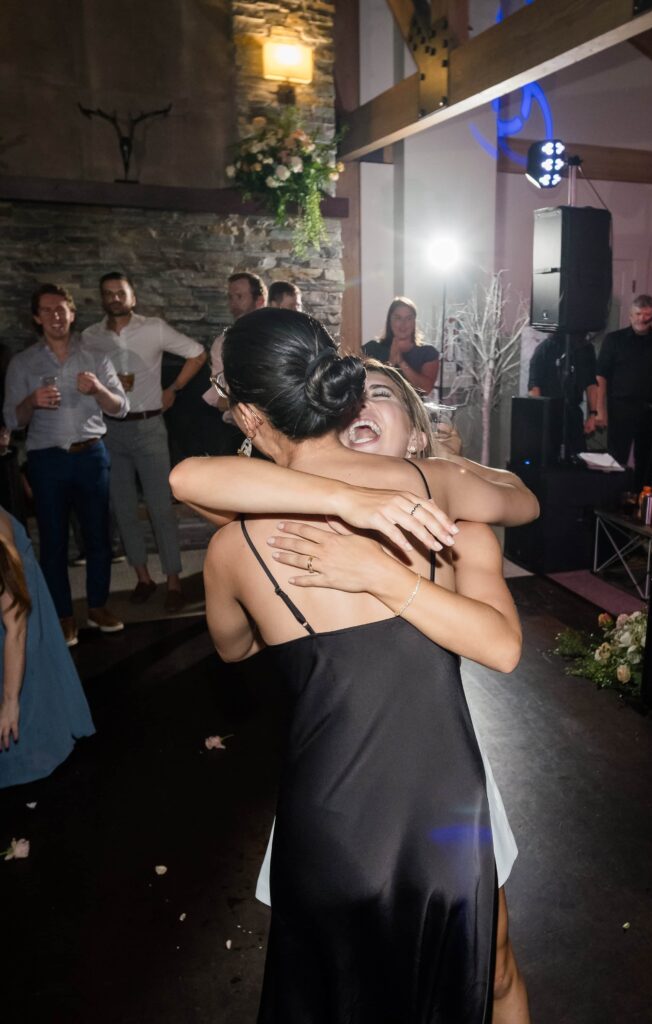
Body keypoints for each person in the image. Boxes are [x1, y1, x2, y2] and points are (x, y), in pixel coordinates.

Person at [170, 308, 538, 1021]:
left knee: (339, 997)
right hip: (444, 807)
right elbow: (521, 502)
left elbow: (231, 647)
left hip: (328, 816)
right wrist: (398, 487)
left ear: (248, 414)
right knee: (460, 982)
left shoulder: (229, 549)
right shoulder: (427, 492)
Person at [258, 358, 530, 1022]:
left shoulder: (454, 526)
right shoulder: (294, 515)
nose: (359, 406)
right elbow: (195, 485)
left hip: (441, 781)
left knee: (489, 968)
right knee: (346, 987)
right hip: (338, 796)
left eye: (380, 394)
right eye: (348, 397)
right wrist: (279, 450)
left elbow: (500, 646)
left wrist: (378, 574)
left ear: (414, 437)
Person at [3, 285, 128, 647]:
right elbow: (12, 420)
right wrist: (31, 401)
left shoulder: (96, 356)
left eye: (62, 309)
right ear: (36, 317)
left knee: (98, 537)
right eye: (47, 310)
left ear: (72, 314)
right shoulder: (23, 363)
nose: (55, 316)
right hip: (47, 460)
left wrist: (98, 392)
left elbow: (120, 406)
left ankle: (99, 606)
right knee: (54, 542)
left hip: (91, 455)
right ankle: (63, 615)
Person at [81, 272, 207, 611]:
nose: (114, 298)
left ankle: (174, 581)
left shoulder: (154, 328)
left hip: (150, 425)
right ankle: (142, 577)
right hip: (110, 430)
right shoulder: (89, 337)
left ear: (132, 296)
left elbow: (197, 353)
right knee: (121, 507)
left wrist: (174, 389)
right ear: (102, 299)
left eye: (120, 293)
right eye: (108, 293)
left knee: (160, 507)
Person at [0, 505, 95, 785]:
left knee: (23, 659)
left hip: (15, 583)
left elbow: (16, 627)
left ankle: (36, 736)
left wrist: (10, 701)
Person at [596, 295, 652, 491]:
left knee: (646, 460)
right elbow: (600, 376)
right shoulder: (614, 340)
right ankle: (613, 499)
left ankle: (641, 503)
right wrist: (599, 409)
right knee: (616, 457)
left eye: (648, 315)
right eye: (638, 314)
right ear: (630, 315)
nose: (643, 319)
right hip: (621, 407)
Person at [202, 272, 267, 450]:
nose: (233, 303)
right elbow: (219, 398)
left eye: (239, 296)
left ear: (259, 301)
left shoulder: (275, 339)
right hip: (236, 432)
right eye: (230, 297)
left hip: (277, 431)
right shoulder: (222, 343)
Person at [528, 333, 599, 455]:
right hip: (550, 413)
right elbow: (534, 386)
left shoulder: (585, 349)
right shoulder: (544, 349)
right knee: (549, 458)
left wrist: (593, 415)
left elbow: (591, 383)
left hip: (573, 411)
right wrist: (540, 419)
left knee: (578, 457)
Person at [363, 296, 440, 395]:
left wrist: (401, 362)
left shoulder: (428, 352)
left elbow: (426, 389)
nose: (403, 324)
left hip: (412, 410)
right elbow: (363, 385)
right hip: (379, 408)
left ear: (414, 321)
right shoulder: (371, 348)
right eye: (398, 318)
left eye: (408, 318)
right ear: (390, 320)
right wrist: (390, 363)